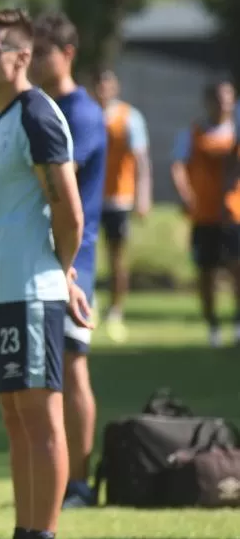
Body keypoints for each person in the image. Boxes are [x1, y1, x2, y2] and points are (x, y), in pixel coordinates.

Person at [0, 8, 91, 539]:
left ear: (21, 58)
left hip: (30, 292)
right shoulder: (3, 119)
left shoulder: (38, 114)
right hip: (2, 294)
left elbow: (70, 211)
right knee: (16, 420)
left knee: (42, 421)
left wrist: (60, 275)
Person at [30, 12, 108, 510]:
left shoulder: (80, 112)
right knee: (43, 376)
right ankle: (57, 480)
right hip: (39, 261)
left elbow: (59, 183)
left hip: (73, 263)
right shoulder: (41, 108)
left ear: (68, 53)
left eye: (43, 52)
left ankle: (78, 482)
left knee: (72, 368)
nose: (33, 61)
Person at [170, 80, 240, 347]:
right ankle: (212, 325)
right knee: (206, 272)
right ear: (208, 101)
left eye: (228, 97)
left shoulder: (237, 132)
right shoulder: (194, 132)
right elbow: (178, 165)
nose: (223, 102)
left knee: (237, 270)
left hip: (234, 215)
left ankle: (237, 322)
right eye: (218, 97)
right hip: (205, 215)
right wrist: (186, 195)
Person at [91, 70, 152, 342]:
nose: (104, 88)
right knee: (83, 254)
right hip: (90, 198)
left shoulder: (130, 117)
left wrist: (143, 195)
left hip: (119, 199)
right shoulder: (87, 115)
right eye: (99, 84)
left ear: (115, 87)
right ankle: (88, 305)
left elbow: (141, 159)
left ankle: (116, 311)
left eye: (108, 84)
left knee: (117, 257)